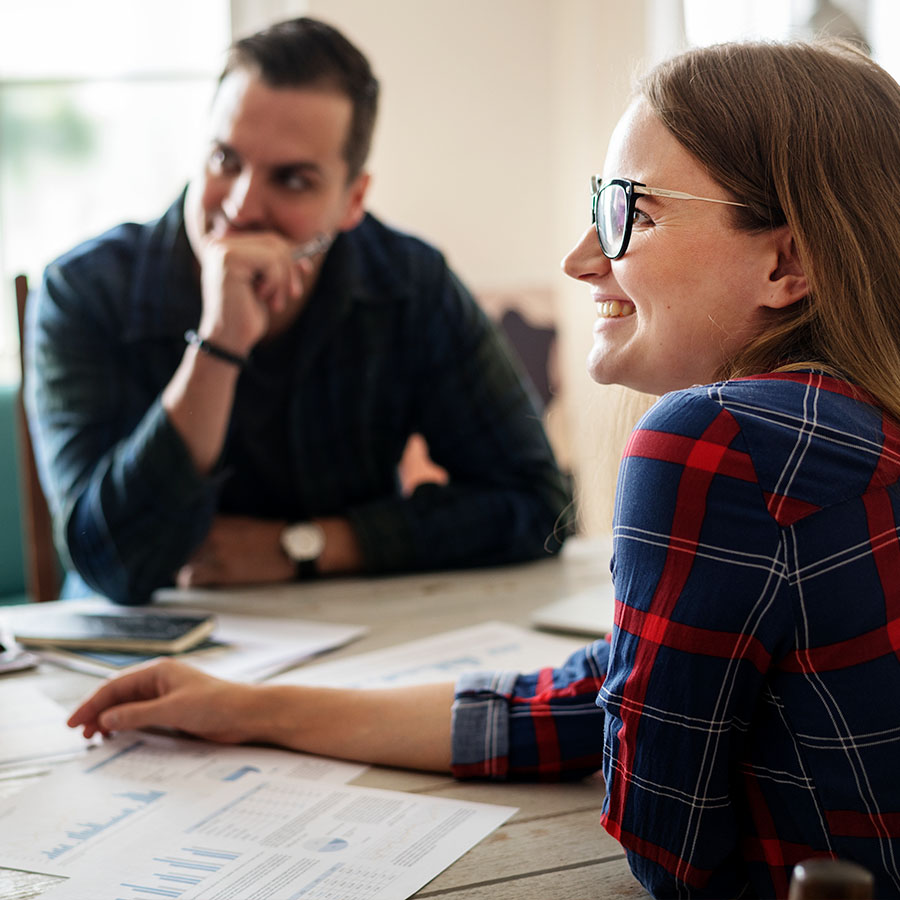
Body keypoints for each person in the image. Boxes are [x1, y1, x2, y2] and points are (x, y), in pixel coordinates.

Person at [68, 38, 900, 898]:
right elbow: (606, 691)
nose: (581, 258)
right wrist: (253, 708)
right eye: (596, 204)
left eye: (631, 212)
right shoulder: (853, 427)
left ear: (787, 263)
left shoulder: (713, 442)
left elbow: (668, 853)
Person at [25, 17, 571, 605]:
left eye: (291, 179)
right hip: (136, 656)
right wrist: (218, 343)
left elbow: (537, 505)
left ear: (352, 201)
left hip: (349, 642)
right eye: (225, 160)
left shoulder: (408, 284)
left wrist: (307, 545)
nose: (240, 206)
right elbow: (110, 565)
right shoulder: (84, 291)